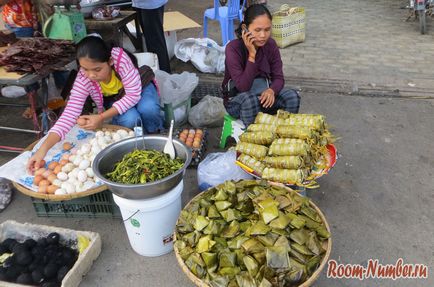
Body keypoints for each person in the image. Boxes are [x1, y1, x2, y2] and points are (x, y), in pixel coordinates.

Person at [27, 35, 163, 173]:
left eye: (97, 69)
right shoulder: (83, 78)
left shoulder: (120, 58)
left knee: (148, 109)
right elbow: (69, 114)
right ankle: (138, 144)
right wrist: (42, 150)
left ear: (109, 61)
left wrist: (102, 117)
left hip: (140, 87)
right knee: (130, 119)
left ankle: (154, 135)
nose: (91, 75)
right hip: (116, 97)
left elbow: (133, 95)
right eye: (85, 69)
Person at [222, 4, 300, 127]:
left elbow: (279, 78)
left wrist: (271, 90)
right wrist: (252, 55)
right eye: (257, 30)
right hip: (238, 100)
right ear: (245, 28)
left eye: (267, 29)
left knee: (292, 96)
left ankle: (283, 137)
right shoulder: (233, 48)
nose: (263, 35)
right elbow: (243, 87)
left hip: (263, 99)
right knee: (250, 99)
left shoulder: (271, 45)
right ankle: (255, 140)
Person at [132, 0, 171, 73]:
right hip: (140, 4)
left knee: (155, 42)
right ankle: (159, 72)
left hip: (151, 4)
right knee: (150, 41)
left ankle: (164, 73)